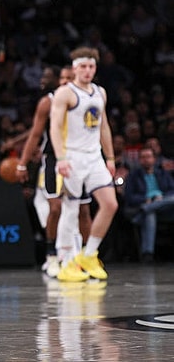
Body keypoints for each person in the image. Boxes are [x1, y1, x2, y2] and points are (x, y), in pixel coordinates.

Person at [15, 65, 92, 278]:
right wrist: (22, 163)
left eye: (70, 78)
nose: (66, 82)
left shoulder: (87, 98)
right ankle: (51, 256)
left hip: (80, 159)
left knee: (84, 210)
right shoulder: (48, 102)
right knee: (55, 208)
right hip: (54, 160)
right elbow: (35, 135)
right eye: (63, 78)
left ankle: (87, 257)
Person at [49, 47, 118, 282]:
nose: (87, 70)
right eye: (83, 66)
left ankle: (89, 255)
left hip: (94, 156)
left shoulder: (100, 93)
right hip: (72, 155)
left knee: (110, 204)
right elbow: (55, 127)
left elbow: (104, 126)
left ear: (95, 68)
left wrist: (110, 157)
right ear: (75, 68)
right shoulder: (64, 93)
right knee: (70, 209)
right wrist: (60, 158)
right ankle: (67, 262)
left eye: (91, 66)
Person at [124, 147, 174, 263]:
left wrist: (160, 199)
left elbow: (172, 191)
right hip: (141, 207)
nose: (146, 160)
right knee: (150, 214)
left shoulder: (163, 173)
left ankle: (146, 209)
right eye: (143, 157)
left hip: (163, 207)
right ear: (139, 160)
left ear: (154, 159)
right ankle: (148, 254)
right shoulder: (133, 176)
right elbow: (129, 197)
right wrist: (146, 199)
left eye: (148, 157)